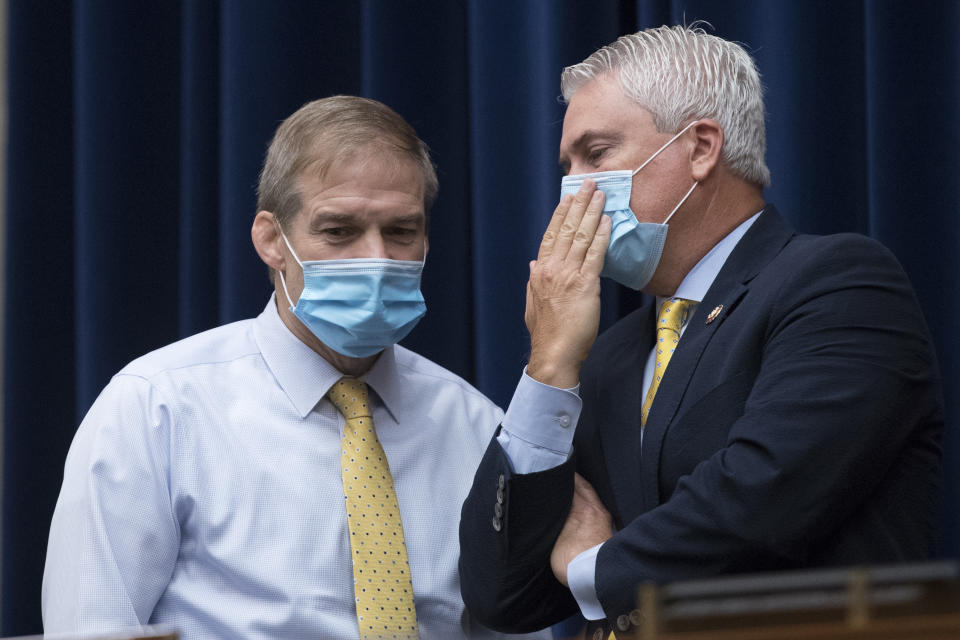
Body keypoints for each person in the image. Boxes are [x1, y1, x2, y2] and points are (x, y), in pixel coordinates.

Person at [458, 25, 945, 638]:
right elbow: (501, 594)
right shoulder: (608, 355)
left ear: (701, 147)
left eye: (597, 154)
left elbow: (760, 501)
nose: (572, 192)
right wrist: (549, 367)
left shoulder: (838, 283)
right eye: (567, 166)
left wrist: (592, 567)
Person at [43, 96, 549, 640]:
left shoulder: (473, 426)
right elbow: (92, 627)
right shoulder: (156, 408)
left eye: (401, 232)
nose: (374, 258)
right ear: (270, 240)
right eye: (338, 231)